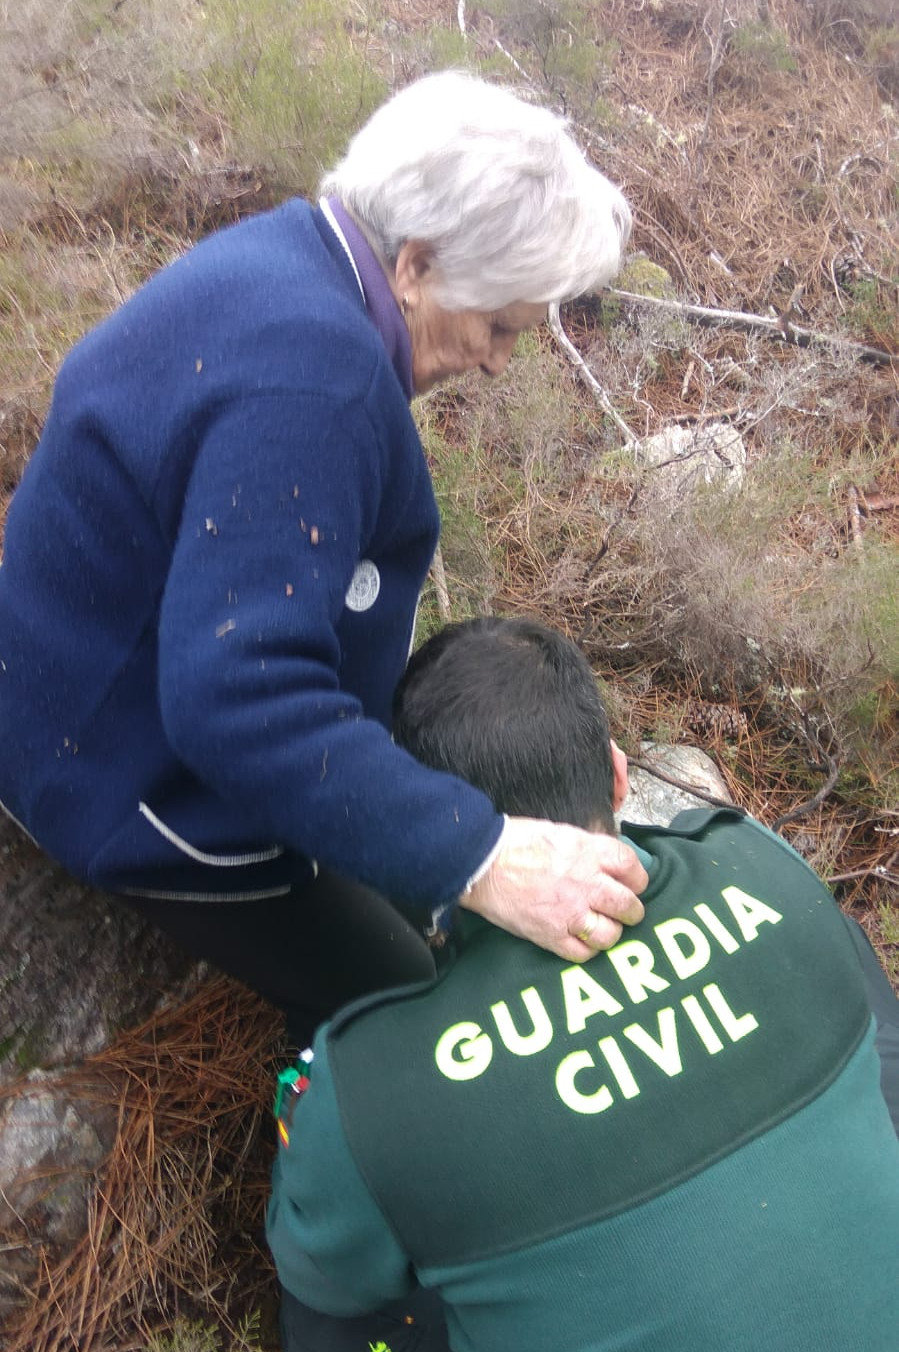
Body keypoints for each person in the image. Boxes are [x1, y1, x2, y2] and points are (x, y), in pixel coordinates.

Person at [0, 73, 646, 1046]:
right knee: (422, 1002)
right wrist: (479, 852)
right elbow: (237, 699)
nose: (498, 360)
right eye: (500, 325)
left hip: (72, 676)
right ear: (418, 263)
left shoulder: (283, 261)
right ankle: (333, 1168)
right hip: (117, 771)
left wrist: (503, 792)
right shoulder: (318, 384)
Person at [267, 617, 899, 1352]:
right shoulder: (761, 865)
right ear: (618, 774)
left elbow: (324, 1282)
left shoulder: (372, 1085)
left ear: (416, 824)